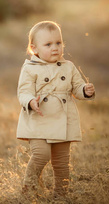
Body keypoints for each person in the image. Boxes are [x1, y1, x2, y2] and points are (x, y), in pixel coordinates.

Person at [16, 20, 95, 197]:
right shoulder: (30, 68)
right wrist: (30, 101)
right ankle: (29, 188)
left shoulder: (68, 67)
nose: (55, 48)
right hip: (39, 118)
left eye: (58, 43)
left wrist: (85, 90)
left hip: (62, 119)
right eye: (48, 44)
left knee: (61, 162)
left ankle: (60, 193)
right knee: (40, 155)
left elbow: (77, 87)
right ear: (34, 49)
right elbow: (23, 91)